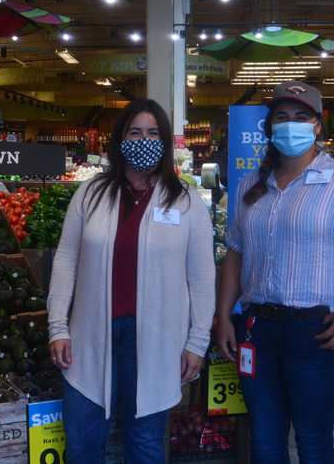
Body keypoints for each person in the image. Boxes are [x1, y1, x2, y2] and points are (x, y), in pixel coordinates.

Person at [216, 81, 334, 464]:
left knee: (312, 441)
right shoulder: (251, 185)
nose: (290, 124)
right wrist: (224, 317)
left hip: (318, 333)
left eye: (301, 117)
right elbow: (235, 254)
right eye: (282, 117)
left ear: (317, 125)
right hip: (256, 331)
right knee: (264, 440)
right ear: (269, 126)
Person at [47, 98, 216, 464]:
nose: (144, 139)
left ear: (166, 141)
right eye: (135, 132)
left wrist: (197, 341)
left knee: (146, 445)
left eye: (153, 133)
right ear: (120, 140)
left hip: (156, 340)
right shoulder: (90, 194)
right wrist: (57, 326)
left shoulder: (186, 202)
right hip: (90, 337)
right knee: (81, 443)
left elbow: (202, 279)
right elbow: (65, 261)